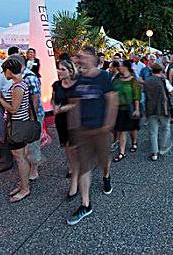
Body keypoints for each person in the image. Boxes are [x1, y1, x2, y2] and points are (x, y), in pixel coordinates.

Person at [66, 46, 118, 225]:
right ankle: (85, 204)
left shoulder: (104, 77)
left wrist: (109, 123)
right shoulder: (78, 79)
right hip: (83, 130)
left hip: (101, 129)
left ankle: (106, 176)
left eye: (87, 56)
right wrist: (73, 125)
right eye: (82, 56)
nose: (84, 59)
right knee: (83, 168)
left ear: (94, 58)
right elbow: (75, 101)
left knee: (105, 161)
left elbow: (112, 99)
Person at [0, 59, 32, 203]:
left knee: (20, 157)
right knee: (20, 157)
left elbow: (13, 109)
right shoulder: (19, 84)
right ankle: (23, 184)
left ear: (9, 71)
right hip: (17, 125)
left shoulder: (18, 87)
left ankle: (25, 188)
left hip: (17, 126)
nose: (4, 74)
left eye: (4, 71)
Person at [9, 54, 44, 181]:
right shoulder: (21, 76)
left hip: (31, 116)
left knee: (32, 144)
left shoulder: (29, 77)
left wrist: (32, 118)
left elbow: (35, 98)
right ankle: (33, 165)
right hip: (25, 116)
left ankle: (34, 169)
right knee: (28, 143)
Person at [51, 59, 78, 200]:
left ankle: (77, 171)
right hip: (61, 119)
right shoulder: (56, 85)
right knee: (66, 144)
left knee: (75, 145)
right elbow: (53, 99)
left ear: (71, 71)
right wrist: (54, 106)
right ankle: (72, 166)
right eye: (58, 69)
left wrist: (63, 108)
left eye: (62, 69)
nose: (59, 72)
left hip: (75, 118)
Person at [112, 60, 141, 162]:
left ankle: (134, 142)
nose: (118, 68)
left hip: (130, 108)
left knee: (132, 128)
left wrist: (137, 109)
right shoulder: (117, 80)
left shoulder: (133, 81)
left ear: (126, 67)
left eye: (120, 66)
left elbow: (136, 95)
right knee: (122, 131)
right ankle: (122, 152)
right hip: (119, 109)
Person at [144, 62, 173, 161]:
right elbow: (171, 92)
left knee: (153, 131)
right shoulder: (163, 80)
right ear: (161, 70)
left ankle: (154, 153)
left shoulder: (147, 81)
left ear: (152, 70)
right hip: (163, 108)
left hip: (150, 108)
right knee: (165, 128)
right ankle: (163, 147)